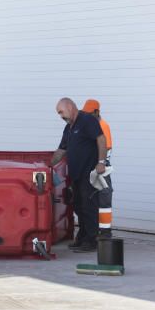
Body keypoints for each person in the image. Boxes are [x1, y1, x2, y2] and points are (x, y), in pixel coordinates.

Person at [52, 97, 107, 252]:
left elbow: (101, 139)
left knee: (88, 206)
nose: (60, 116)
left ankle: (91, 240)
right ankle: (82, 237)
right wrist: (48, 165)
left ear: (70, 107)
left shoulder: (87, 120)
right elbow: (61, 150)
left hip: (88, 173)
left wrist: (101, 162)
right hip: (75, 175)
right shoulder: (69, 127)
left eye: (61, 112)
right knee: (78, 206)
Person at [82, 99, 113, 239]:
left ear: (96, 111)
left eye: (89, 113)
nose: (87, 116)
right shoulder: (92, 125)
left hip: (101, 170)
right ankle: (95, 230)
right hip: (94, 169)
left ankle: (105, 232)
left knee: (104, 198)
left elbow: (106, 148)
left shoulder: (102, 125)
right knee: (93, 200)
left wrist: (100, 164)